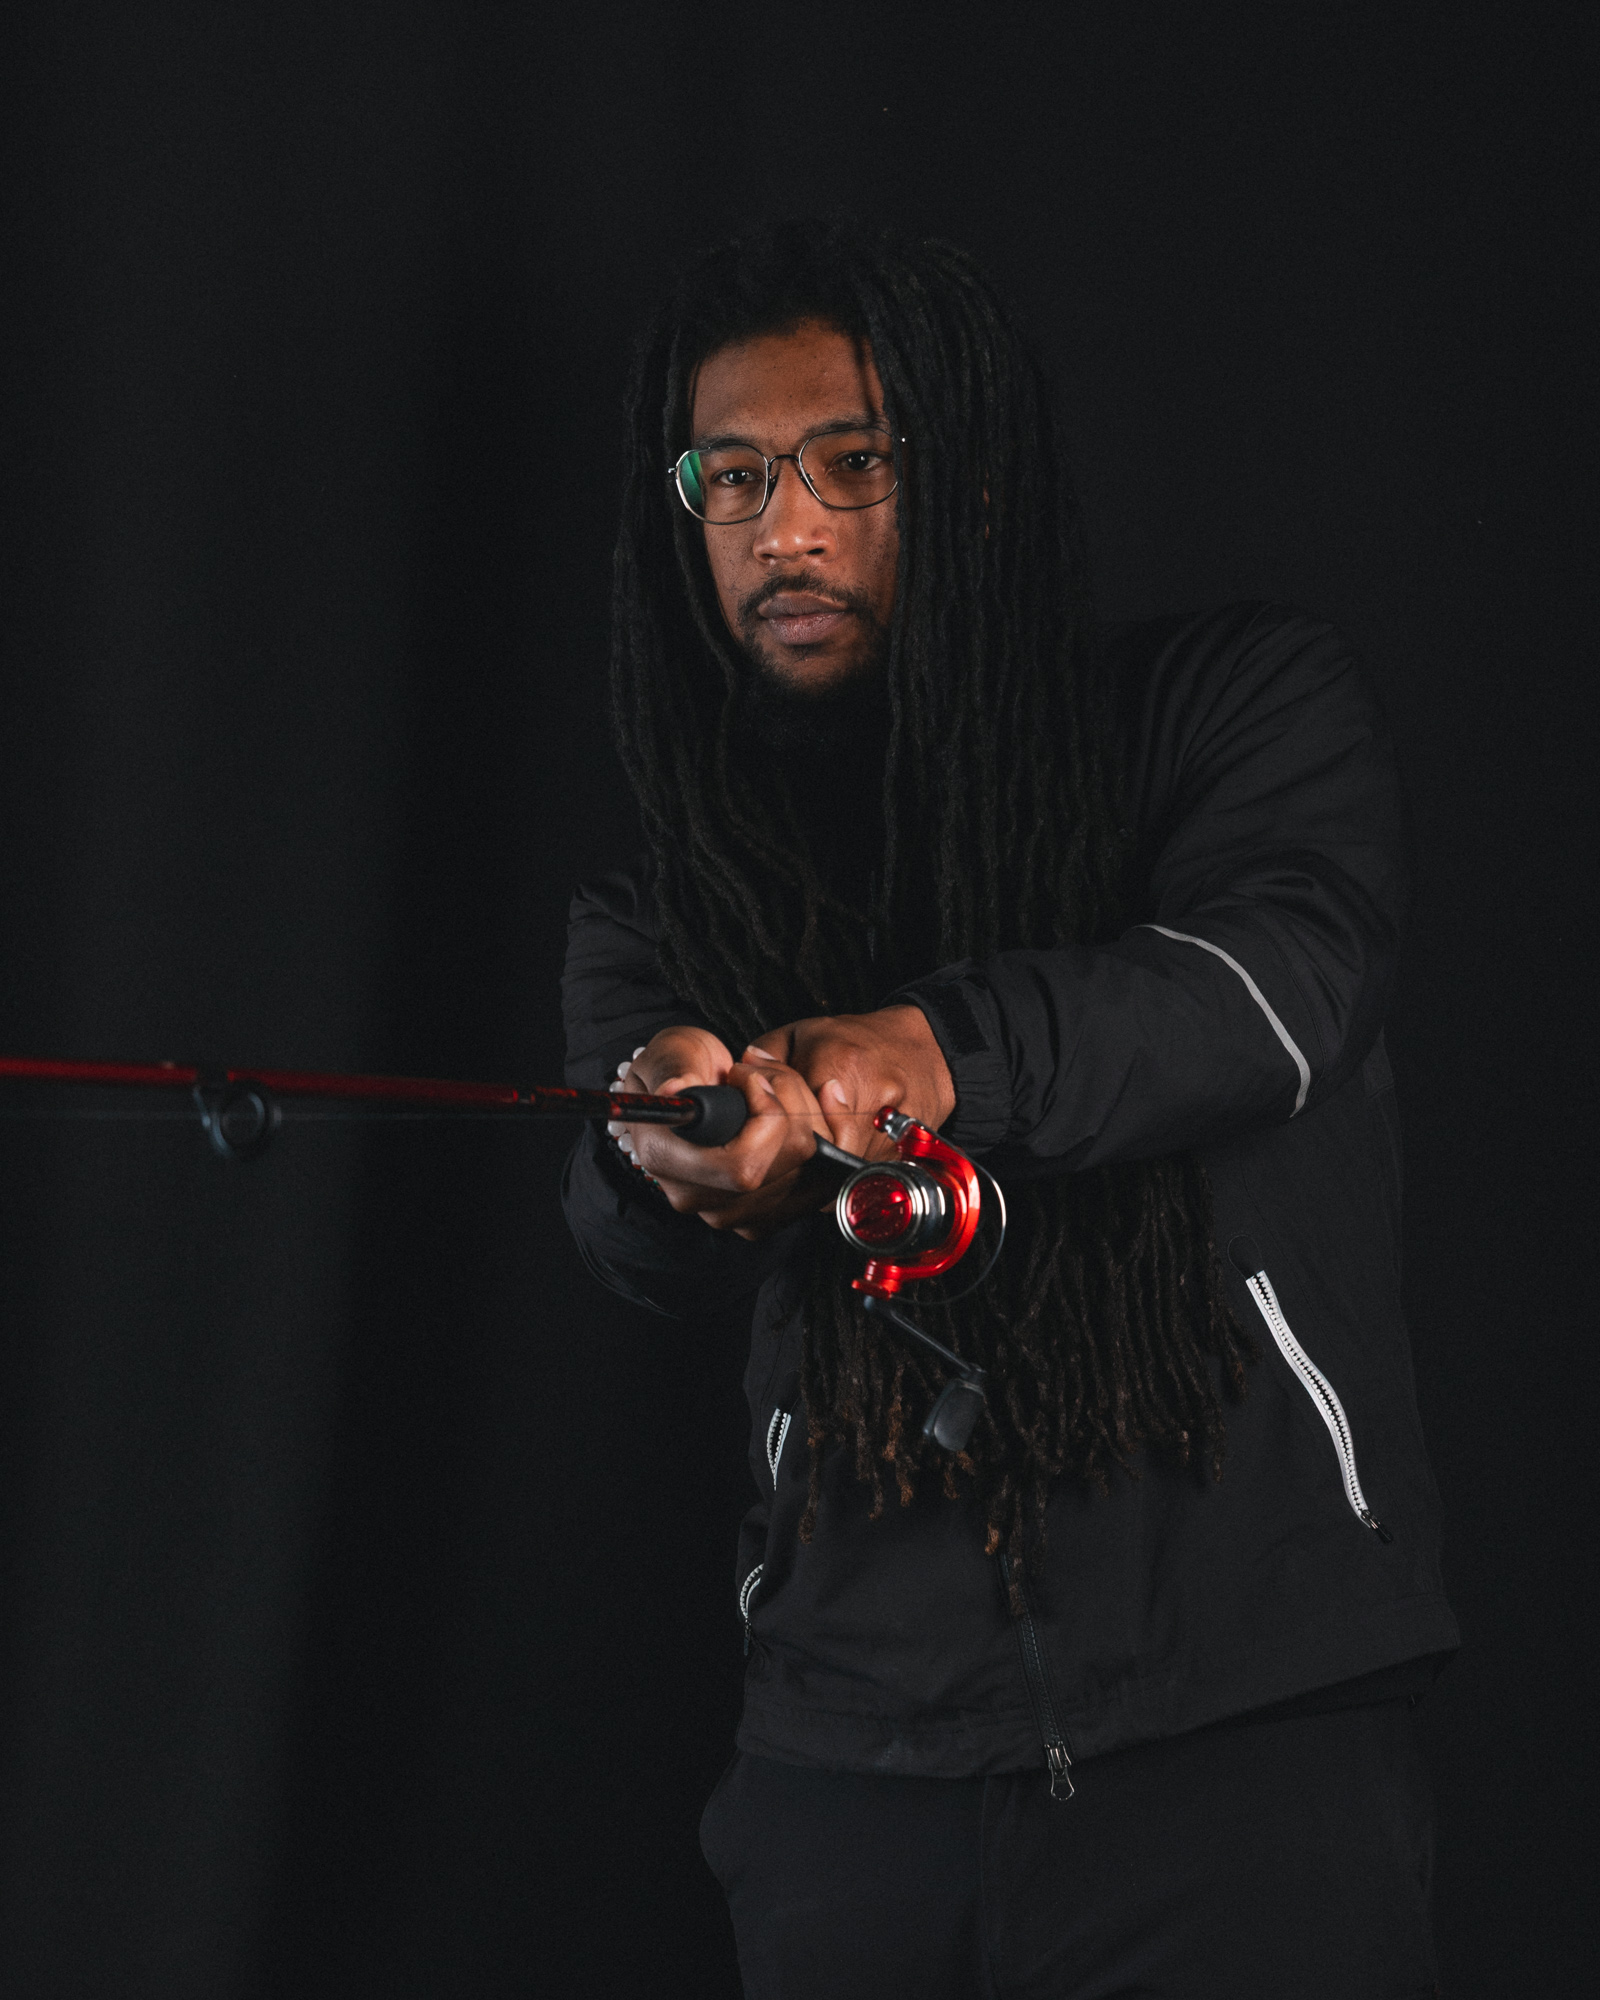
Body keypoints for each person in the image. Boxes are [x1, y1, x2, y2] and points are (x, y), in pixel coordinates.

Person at [560, 219, 1456, 1999]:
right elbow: (625, 1232)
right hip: (847, 1781)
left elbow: (1268, 996)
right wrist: (670, 1157)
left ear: (964, 480)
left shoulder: (1231, 709)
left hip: (1241, 1739)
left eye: (852, 462)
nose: (785, 529)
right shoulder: (667, 898)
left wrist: (924, 1054)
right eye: (732, 477)